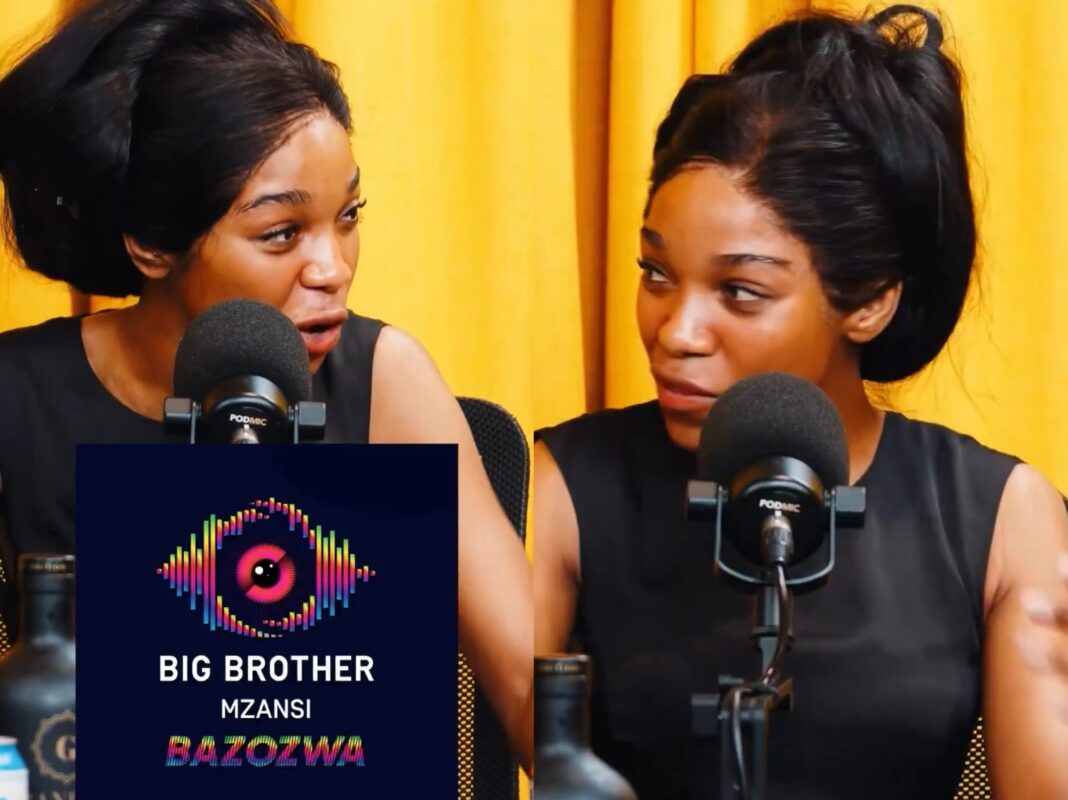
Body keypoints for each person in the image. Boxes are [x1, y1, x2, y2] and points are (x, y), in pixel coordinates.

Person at [534, 6, 1068, 797]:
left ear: (871, 299)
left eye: (740, 292)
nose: (675, 332)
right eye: (656, 274)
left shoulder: (1002, 518)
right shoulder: (566, 486)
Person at [0, 0, 532, 767]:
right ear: (151, 243)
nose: (333, 268)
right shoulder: (18, 398)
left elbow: (532, 691)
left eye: (348, 216)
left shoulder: (386, 379)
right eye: (281, 233)